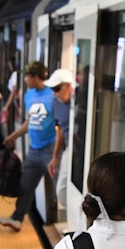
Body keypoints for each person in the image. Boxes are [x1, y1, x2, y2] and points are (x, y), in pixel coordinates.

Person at [0, 62, 56, 232]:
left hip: (49, 150)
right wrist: (13, 136)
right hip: (33, 149)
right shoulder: (29, 95)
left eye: (27, 76)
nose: (25, 79)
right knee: (26, 185)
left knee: (60, 185)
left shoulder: (52, 95)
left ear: (36, 77)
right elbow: (29, 122)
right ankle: (17, 219)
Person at [46, 68, 75, 211]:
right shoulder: (55, 103)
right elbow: (60, 131)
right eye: (52, 89)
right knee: (61, 193)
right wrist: (55, 157)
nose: (54, 93)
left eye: (57, 88)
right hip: (70, 150)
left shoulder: (80, 103)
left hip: (83, 151)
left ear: (69, 86)